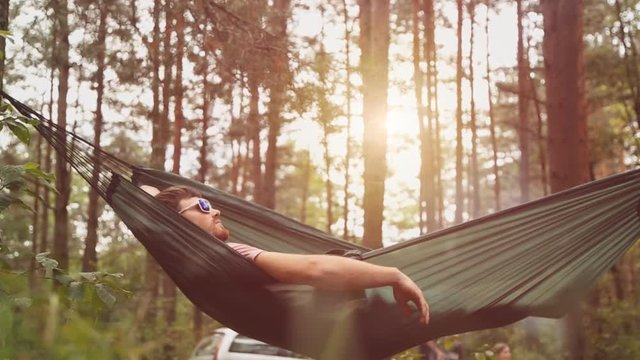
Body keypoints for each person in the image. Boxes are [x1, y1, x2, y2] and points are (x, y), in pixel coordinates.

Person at [149, 185, 429, 324]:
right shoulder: (230, 254)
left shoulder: (198, 266)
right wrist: (394, 275)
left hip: (317, 329)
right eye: (202, 205)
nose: (216, 210)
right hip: (347, 323)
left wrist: (141, 191)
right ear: (178, 223)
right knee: (347, 259)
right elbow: (316, 269)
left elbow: (146, 193)